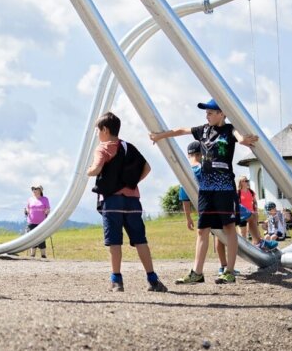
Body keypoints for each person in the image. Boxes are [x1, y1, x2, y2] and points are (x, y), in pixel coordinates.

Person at [151, 97, 258, 285]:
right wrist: (160, 136)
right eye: (206, 113)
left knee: (228, 228)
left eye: (210, 112)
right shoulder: (203, 130)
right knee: (202, 230)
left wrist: (243, 140)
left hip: (224, 188)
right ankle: (197, 272)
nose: (206, 116)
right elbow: (181, 130)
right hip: (206, 189)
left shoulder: (228, 129)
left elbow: (238, 137)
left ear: (221, 113)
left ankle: (229, 271)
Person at [89, 112, 168, 293]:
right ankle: (152, 279)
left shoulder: (103, 147)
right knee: (140, 240)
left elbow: (97, 168)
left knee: (114, 242)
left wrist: (89, 171)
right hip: (132, 200)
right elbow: (147, 167)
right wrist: (132, 183)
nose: (97, 134)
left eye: (97, 130)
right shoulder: (129, 147)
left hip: (112, 201)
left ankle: (117, 281)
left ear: (105, 130)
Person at [179, 141, 232, 271]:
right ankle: (258, 241)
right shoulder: (204, 168)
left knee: (214, 235)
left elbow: (185, 199)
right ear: (202, 153)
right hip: (217, 205)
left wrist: (188, 218)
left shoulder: (184, 173)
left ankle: (221, 266)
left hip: (202, 210)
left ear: (188, 154)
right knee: (227, 231)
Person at [24, 185, 51, 258]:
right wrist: (26, 211)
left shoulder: (45, 199)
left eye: (35, 189)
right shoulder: (30, 199)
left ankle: (43, 255)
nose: (34, 190)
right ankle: (32, 255)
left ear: (40, 190)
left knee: (41, 238)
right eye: (33, 189)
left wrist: (47, 211)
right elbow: (27, 207)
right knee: (31, 238)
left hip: (41, 222)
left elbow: (48, 208)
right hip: (31, 222)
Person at [236, 176, 263, 246]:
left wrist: (256, 211)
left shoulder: (251, 192)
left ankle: (256, 246)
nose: (246, 182)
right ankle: (244, 247)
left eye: (247, 180)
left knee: (255, 231)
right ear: (240, 183)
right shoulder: (238, 192)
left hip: (252, 214)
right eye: (244, 181)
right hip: (242, 215)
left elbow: (255, 202)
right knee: (243, 233)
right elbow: (236, 204)